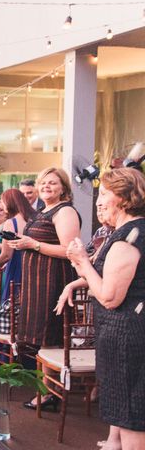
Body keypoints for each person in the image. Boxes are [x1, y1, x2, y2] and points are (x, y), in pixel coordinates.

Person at [56, 168, 145, 450]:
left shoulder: (127, 238)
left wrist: (81, 261)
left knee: (132, 417)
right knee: (126, 408)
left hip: (126, 338)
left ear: (124, 198)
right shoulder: (131, 232)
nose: (98, 201)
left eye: (105, 194)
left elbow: (109, 297)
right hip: (129, 335)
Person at [7, 168, 80, 410]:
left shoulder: (65, 211)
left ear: (63, 188)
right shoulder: (42, 211)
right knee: (41, 339)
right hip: (36, 284)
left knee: (50, 337)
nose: (47, 186)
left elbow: (70, 250)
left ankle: (52, 394)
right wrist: (23, 243)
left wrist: (33, 244)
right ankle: (46, 389)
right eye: (43, 183)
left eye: (53, 183)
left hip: (53, 283)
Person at [0, 189, 36, 302]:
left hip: (17, 266)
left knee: (12, 305)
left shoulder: (11, 222)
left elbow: (6, 255)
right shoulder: (34, 218)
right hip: (32, 266)